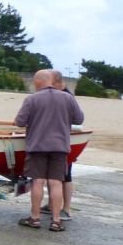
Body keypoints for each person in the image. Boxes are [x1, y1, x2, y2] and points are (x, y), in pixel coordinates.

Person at [14, 69, 85, 232]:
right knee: (56, 183)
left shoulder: (32, 99)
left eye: (34, 82)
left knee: (37, 181)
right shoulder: (68, 97)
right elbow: (79, 119)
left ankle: (35, 218)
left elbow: (19, 122)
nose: (34, 84)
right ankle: (56, 220)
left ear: (38, 82)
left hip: (37, 146)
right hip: (60, 147)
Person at [41, 70, 76, 221]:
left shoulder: (67, 96)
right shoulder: (59, 94)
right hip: (56, 140)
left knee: (65, 176)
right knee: (53, 176)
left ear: (57, 82)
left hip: (63, 141)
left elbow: (77, 119)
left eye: (50, 81)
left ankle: (66, 209)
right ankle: (50, 205)